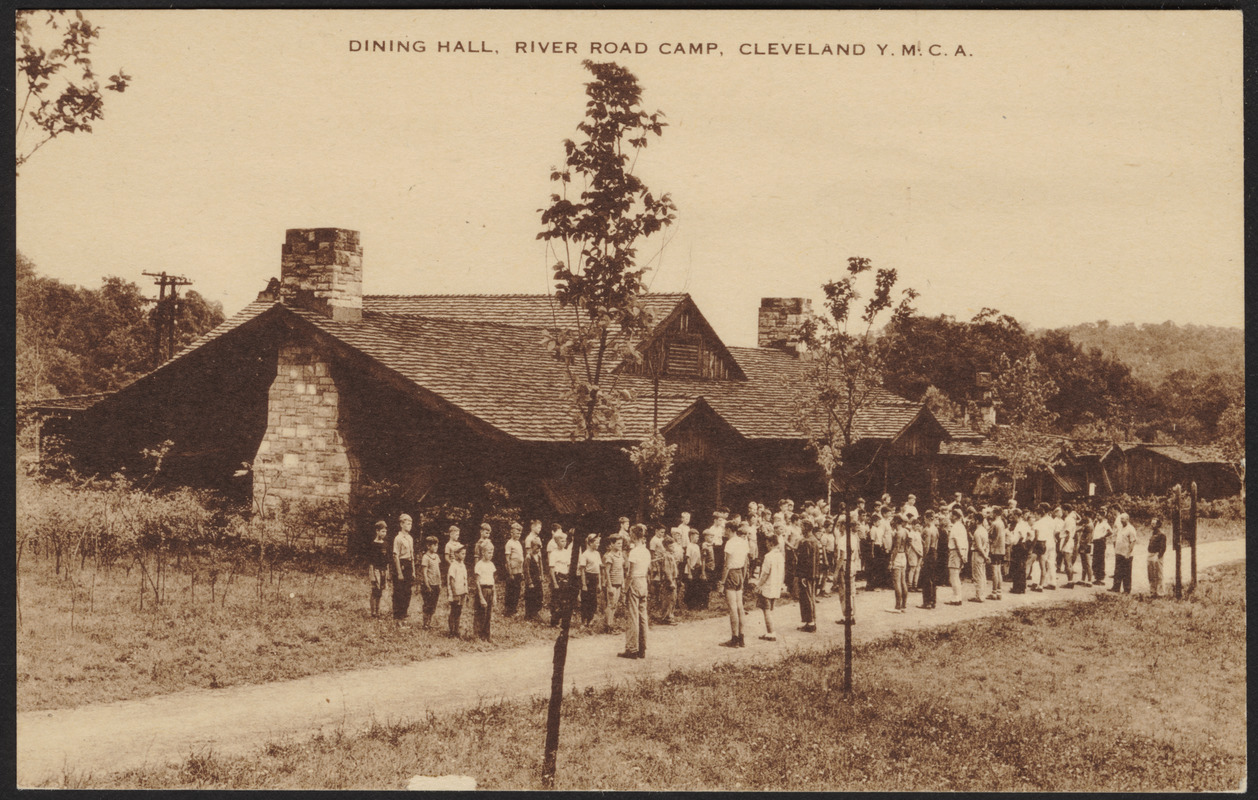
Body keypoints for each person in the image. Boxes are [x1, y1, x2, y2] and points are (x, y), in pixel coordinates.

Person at [619, 524, 650, 659]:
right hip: (643, 582)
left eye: (631, 534)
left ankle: (632, 648)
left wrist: (625, 589)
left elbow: (630, 574)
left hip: (635, 582)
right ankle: (642, 648)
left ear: (634, 536)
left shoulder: (634, 552)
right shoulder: (646, 551)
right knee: (643, 616)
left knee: (633, 616)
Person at [721, 522, 750, 646]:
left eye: (725, 530)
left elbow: (727, 565)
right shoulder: (743, 542)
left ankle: (734, 638)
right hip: (740, 573)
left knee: (732, 608)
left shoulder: (730, 543)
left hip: (731, 573)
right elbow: (745, 563)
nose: (724, 532)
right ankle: (741, 638)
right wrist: (742, 579)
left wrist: (722, 582)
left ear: (729, 529)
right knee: (740, 607)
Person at [754, 530, 785, 640]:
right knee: (771, 610)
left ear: (771, 543)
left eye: (767, 543)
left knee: (766, 611)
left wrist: (759, 585)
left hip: (767, 587)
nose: (766, 545)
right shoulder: (780, 556)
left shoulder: (769, 556)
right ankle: (771, 631)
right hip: (775, 586)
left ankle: (771, 633)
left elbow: (765, 573)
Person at [796, 519, 820, 630]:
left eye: (802, 527)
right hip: (813, 574)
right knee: (811, 597)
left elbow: (805, 561)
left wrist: (803, 576)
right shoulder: (814, 540)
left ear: (806, 528)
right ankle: (810, 621)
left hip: (806, 574)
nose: (800, 529)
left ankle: (810, 623)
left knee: (807, 598)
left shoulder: (806, 542)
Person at [391, 514, 415, 624]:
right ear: (401, 524)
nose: (410, 526)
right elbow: (395, 556)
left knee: (407, 590)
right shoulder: (398, 538)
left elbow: (412, 555)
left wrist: (413, 570)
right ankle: (397, 613)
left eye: (411, 524)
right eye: (407, 523)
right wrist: (399, 572)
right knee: (399, 590)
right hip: (401, 564)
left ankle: (404, 611)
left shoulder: (410, 538)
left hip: (409, 564)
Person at [548, 528, 572, 627]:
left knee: (565, 600)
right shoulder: (554, 553)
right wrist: (554, 582)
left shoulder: (567, 552)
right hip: (558, 577)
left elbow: (568, 566)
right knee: (556, 600)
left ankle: (563, 621)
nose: (564, 543)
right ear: (557, 542)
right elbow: (552, 569)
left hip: (565, 577)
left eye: (565, 540)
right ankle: (554, 621)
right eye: (562, 541)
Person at [578, 533, 603, 627]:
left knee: (593, 601)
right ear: (590, 543)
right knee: (585, 600)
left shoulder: (597, 554)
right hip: (587, 578)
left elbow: (598, 571)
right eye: (596, 543)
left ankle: (590, 619)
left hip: (594, 579)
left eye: (599, 543)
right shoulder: (585, 555)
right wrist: (584, 584)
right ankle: (583, 621)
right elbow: (582, 570)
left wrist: (599, 583)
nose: (598, 545)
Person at [945, 508, 968, 606]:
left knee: (953, 577)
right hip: (961, 552)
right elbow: (965, 542)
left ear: (955, 516)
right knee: (956, 576)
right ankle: (958, 597)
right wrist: (964, 554)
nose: (950, 517)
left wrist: (961, 555)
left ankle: (956, 598)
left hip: (955, 552)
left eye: (951, 515)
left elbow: (958, 543)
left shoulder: (956, 527)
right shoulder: (962, 527)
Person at [1030, 504, 1056, 591]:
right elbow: (1054, 532)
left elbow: (1037, 535)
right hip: (1051, 542)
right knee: (1051, 563)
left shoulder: (1041, 521)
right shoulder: (1052, 520)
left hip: (1043, 542)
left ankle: (1036, 582)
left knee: (1038, 563)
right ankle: (1052, 582)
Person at [419, 535, 442, 629]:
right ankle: (425, 623)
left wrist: (440, 582)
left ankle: (429, 622)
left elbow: (438, 570)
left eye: (437, 545)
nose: (436, 547)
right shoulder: (425, 557)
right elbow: (424, 572)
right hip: (428, 585)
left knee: (433, 604)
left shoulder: (436, 556)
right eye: (434, 545)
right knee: (427, 604)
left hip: (436, 584)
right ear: (428, 546)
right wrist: (427, 584)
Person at [367, 520, 389, 618]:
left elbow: (387, 560)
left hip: (383, 570)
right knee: (374, 590)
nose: (384, 533)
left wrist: (387, 572)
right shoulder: (372, 544)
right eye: (382, 531)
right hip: (375, 570)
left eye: (385, 531)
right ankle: (373, 612)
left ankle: (378, 610)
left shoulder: (385, 544)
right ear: (377, 531)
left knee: (380, 591)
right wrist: (372, 575)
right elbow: (371, 561)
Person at [472, 547, 495, 641]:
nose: (491, 554)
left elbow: (493, 581)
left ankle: (486, 635)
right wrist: (481, 597)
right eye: (489, 552)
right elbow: (477, 582)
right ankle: (477, 635)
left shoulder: (491, 564)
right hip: (482, 589)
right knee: (481, 614)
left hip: (490, 590)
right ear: (483, 552)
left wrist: (495, 596)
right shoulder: (479, 565)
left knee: (488, 614)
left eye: (492, 552)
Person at [887, 515, 909, 613]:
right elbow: (908, 544)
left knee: (897, 582)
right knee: (903, 581)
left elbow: (896, 548)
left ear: (896, 522)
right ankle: (904, 604)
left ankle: (897, 605)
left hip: (898, 556)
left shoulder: (898, 533)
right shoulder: (905, 531)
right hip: (903, 555)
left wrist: (891, 561)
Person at [918, 509, 938, 609]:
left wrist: (923, 558)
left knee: (926, 578)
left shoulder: (927, 529)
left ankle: (927, 602)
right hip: (934, 553)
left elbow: (926, 546)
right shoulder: (935, 529)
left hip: (929, 554)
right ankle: (933, 600)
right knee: (933, 578)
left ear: (926, 518)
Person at [446, 542, 468, 637]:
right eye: (462, 553)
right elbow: (451, 580)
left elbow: (464, 579)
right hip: (456, 593)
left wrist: (466, 592)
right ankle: (451, 631)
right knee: (454, 611)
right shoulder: (453, 565)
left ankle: (456, 631)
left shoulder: (462, 565)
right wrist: (454, 594)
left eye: (465, 553)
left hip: (462, 592)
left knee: (459, 611)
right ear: (456, 554)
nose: (464, 555)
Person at [1111, 512, 1137, 594]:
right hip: (1119, 552)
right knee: (1117, 571)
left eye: (1122, 519)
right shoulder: (1120, 528)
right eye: (1120, 519)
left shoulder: (1131, 529)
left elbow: (1133, 541)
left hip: (1126, 554)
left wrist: (1128, 553)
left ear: (1127, 519)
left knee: (1126, 572)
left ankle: (1126, 589)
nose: (1121, 521)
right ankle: (1116, 587)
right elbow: (1116, 538)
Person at [503, 522, 525, 616]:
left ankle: (514, 608)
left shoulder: (518, 543)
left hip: (519, 570)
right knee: (510, 591)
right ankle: (508, 610)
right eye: (517, 533)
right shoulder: (509, 543)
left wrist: (522, 570)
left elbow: (521, 557)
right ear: (512, 533)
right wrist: (510, 573)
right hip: (512, 571)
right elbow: (507, 559)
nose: (518, 535)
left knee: (517, 590)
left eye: (520, 533)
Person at [603, 535, 625, 628]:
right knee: (611, 604)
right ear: (612, 544)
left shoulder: (620, 555)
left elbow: (621, 569)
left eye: (621, 543)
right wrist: (609, 586)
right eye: (618, 543)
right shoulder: (609, 556)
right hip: (612, 583)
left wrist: (623, 582)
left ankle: (611, 623)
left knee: (615, 605)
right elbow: (606, 572)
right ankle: (608, 625)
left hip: (619, 582)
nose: (620, 545)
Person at [968, 510, 989, 603]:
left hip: (978, 554)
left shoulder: (977, 532)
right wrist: (986, 554)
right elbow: (987, 545)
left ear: (977, 521)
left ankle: (979, 596)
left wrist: (985, 556)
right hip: (983, 553)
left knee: (977, 575)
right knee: (982, 574)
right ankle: (981, 594)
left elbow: (979, 546)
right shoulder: (984, 531)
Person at [522, 536, 545, 621]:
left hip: (537, 580)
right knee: (530, 597)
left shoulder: (538, 557)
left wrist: (542, 576)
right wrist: (529, 582)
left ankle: (535, 612)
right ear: (532, 547)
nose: (538, 550)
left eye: (539, 548)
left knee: (538, 596)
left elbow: (541, 567)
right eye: (536, 548)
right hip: (531, 581)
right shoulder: (528, 557)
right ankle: (528, 614)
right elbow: (526, 570)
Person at [1009, 509, 1031, 595]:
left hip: (1018, 547)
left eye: (1013, 515)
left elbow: (1014, 540)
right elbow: (1030, 534)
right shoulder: (1025, 524)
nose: (1012, 517)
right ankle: (1022, 587)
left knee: (1017, 567)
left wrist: (1011, 537)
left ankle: (1017, 588)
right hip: (1024, 546)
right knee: (1022, 567)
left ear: (1017, 516)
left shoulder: (1018, 526)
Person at [988, 508, 1007, 600]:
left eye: (992, 512)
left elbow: (990, 536)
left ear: (995, 513)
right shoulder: (1002, 523)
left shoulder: (994, 523)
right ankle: (999, 592)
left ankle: (994, 592)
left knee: (994, 571)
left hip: (995, 549)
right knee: (999, 570)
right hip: (1001, 549)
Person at [1091, 508, 1112, 586]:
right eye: (1097, 515)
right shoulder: (1097, 523)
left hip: (1100, 542)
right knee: (1095, 559)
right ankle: (1097, 577)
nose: (1097, 516)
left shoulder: (1104, 523)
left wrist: (1103, 537)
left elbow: (1110, 532)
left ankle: (1100, 577)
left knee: (1100, 560)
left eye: (1098, 515)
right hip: (1096, 542)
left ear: (1102, 516)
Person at [1146, 517, 1166, 597]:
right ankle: (1152, 592)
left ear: (1158, 525)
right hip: (1150, 554)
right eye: (1151, 523)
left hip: (1157, 555)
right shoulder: (1153, 534)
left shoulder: (1162, 535)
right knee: (1151, 574)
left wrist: (1158, 556)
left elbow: (1163, 548)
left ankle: (1161, 593)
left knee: (1158, 574)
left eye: (1154, 524)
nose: (1152, 525)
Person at [683, 529, 702, 609]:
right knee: (690, 587)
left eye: (698, 537)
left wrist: (699, 565)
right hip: (690, 569)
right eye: (696, 537)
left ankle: (695, 604)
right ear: (691, 536)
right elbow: (688, 559)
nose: (697, 538)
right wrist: (690, 572)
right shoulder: (689, 546)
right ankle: (689, 605)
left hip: (696, 569)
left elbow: (698, 558)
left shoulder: (697, 546)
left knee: (695, 587)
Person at [1076, 509, 1095, 586]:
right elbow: (1079, 529)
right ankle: (1083, 579)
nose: (1083, 517)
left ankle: (1090, 580)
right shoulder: (1087, 524)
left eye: (1084, 516)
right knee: (1083, 563)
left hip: (1086, 545)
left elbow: (1088, 538)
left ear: (1087, 516)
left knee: (1087, 563)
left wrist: (1083, 546)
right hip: (1083, 544)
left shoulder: (1089, 525)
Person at [906, 517, 923, 592]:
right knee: (912, 568)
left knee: (918, 568)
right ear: (912, 525)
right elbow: (911, 544)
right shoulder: (911, 533)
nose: (918, 527)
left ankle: (915, 585)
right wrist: (917, 552)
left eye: (919, 526)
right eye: (916, 526)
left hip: (919, 552)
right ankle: (910, 585)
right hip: (913, 552)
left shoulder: (918, 533)